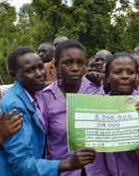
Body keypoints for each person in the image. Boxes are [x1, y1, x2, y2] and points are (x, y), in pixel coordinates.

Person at [0, 47, 96, 176]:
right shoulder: (14, 108)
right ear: (13, 75)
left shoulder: (30, 94)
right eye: (29, 70)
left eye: (40, 67)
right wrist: (68, 164)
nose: (39, 73)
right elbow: (22, 164)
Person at [36, 40, 107, 176]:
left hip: (97, 171)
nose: (75, 68)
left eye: (80, 63)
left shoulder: (97, 90)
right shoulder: (45, 97)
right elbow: (41, 142)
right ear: (56, 66)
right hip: (63, 171)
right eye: (68, 63)